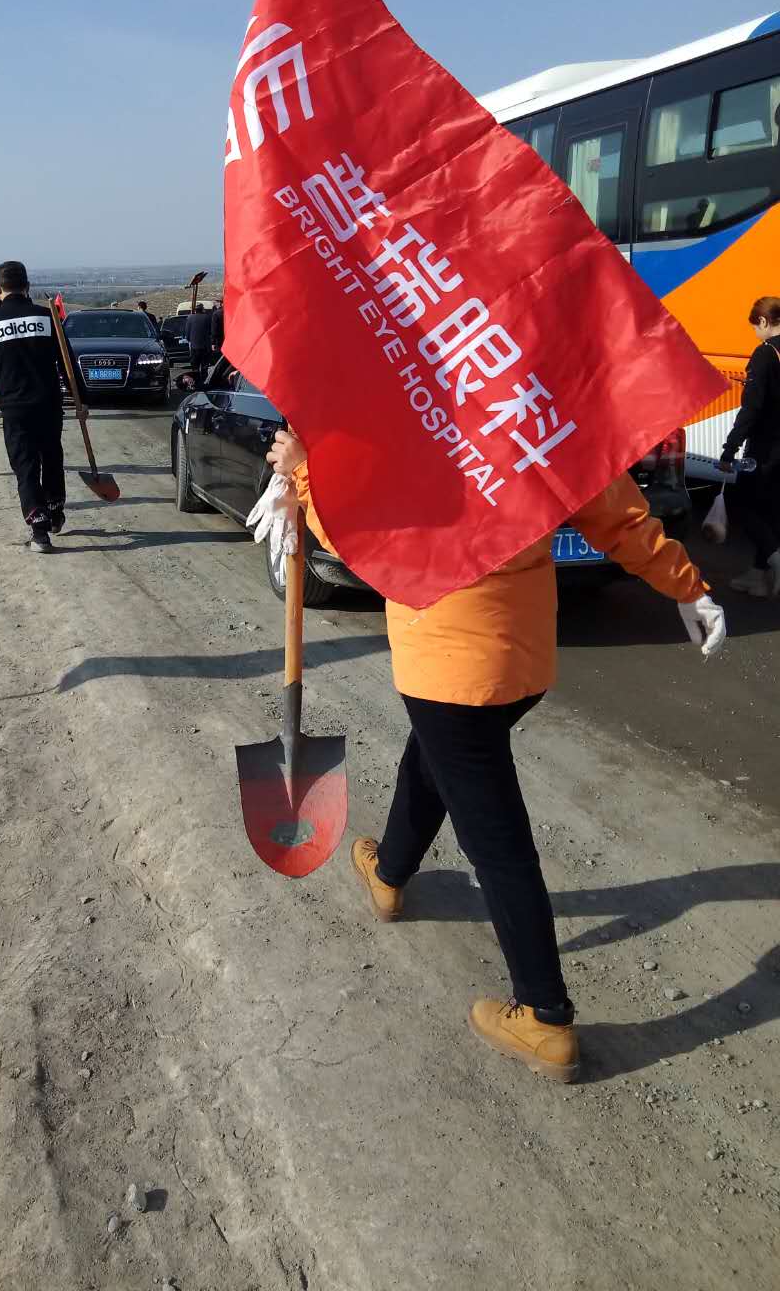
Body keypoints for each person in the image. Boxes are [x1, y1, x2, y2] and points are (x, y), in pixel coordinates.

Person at [265, 428, 725, 1082]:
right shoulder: (534, 406)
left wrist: (306, 476)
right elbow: (615, 513)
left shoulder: (407, 415)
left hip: (448, 662)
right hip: (523, 659)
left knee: (498, 841)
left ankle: (544, 1016)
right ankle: (390, 875)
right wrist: (688, 587)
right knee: (432, 759)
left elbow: (360, 543)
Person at [0, 260, 66, 552]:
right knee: (51, 458)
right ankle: (56, 511)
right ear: (28, 286)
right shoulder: (47, 317)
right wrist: (82, 400)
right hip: (49, 405)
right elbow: (67, 363)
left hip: (14, 408)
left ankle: (39, 530)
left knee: (25, 466)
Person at [719, 295, 780, 595]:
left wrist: (729, 449)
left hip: (765, 448)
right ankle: (758, 576)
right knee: (771, 510)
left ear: (765, 322)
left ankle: (775, 558)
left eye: (755, 325)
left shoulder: (765, 354)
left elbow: (751, 409)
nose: (755, 332)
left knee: (742, 504)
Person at [186, 306, 214, 385]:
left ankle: (196, 381)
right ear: (202, 310)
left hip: (194, 347)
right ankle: (204, 382)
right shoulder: (207, 318)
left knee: (195, 367)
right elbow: (211, 331)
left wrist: (190, 339)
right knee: (204, 367)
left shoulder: (190, 318)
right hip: (205, 347)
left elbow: (187, 333)